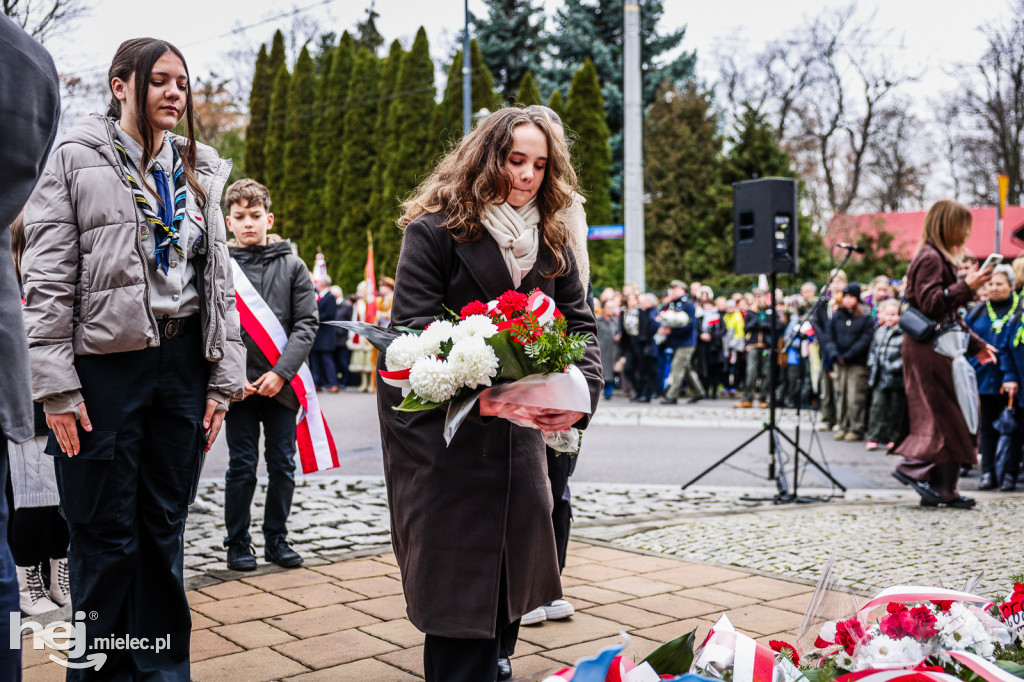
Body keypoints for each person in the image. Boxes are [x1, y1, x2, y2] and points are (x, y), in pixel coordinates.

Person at [21, 38, 245, 677]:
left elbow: (218, 287)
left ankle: (161, 671)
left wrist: (221, 382)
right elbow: (49, 280)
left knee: (163, 526)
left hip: (183, 368)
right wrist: (58, 389)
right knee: (103, 533)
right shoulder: (74, 157)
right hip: (105, 371)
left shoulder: (197, 169)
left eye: (182, 83)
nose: (176, 93)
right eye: (160, 82)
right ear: (121, 86)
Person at [378, 106, 602, 682]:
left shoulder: (551, 240)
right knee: (457, 616)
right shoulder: (434, 231)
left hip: (522, 450)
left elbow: (580, 329)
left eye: (539, 164)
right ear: (486, 157)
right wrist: (474, 391)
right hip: (450, 452)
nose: (527, 175)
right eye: (514, 160)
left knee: (505, 606)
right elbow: (409, 340)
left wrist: (579, 400)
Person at [0, 18, 60, 675]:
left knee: (38, 512)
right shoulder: (30, 61)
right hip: (10, 363)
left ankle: (49, 584)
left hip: (33, 379)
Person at [222, 179, 318, 571]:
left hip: (281, 387)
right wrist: (229, 376)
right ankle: (237, 544)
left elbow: (306, 324)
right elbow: (213, 325)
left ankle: (277, 539)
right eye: (240, 217)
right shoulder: (220, 266)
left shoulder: (293, 265)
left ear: (269, 218)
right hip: (239, 388)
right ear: (228, 222)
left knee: (282, 464)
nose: (248, 224)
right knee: (241, 466)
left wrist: (282, 372)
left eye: (255, 216)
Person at [893, 199, 994, 509]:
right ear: (948, 225)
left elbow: (949, 313)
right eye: (963, 227)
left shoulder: (937, 257)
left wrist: (976, 345)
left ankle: (943, 488)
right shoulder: (930, 258)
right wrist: (967, 285)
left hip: (938, 346)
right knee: (942, 413)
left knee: (950, 412)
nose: (966, 234)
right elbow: (932, 304)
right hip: (929, 348)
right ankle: (914, 470)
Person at [8, 212, 70, 615]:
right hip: (24, 411)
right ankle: (28, 577)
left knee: (63, 500)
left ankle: (58, 570)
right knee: (30, 501)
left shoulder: (58, 286)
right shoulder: (8, 291)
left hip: (62, 403)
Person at [965, 264, 1018, 490]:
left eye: (999, 284)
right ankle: (988, 473)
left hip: (1014, 381)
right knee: (986, 428)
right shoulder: (978, 311)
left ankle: (1008, 474)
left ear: (1011, 285)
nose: (994, 288)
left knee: (1012, 428)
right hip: (984, 378)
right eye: (991, 284)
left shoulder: (1019, 310)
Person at [827, 283, 874, 442]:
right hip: (839, 362)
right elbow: (829, 337)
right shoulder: (837, 316)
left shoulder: (865, 317)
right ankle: (842, 425)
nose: (848, 300)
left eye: (851, 297)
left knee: (855, 396)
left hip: (856, 363)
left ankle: (856, 427)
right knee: (841, 395)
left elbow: (865, 340)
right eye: (845, 297)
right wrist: (835, 354)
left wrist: (848, 355)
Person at [865, 299, 905, 451]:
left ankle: (894, 437)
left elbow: (904, 356)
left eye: (894, 315)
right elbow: (873, 350)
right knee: (877, 406)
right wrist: (872, 364)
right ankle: (874, 436)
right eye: (887, 314)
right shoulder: (880, 331)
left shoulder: (903, 333)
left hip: (896, 377)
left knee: (896, 408)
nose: (890, 318)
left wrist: (892, 367)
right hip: (879, 375)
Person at [660, 280, 704, 404]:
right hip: (677, 342)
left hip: (686, 342)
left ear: (683, 290)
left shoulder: (688, 305)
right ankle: (699, 392)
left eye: (676, 289)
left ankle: (672, 395)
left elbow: (689, 326)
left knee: (677, 367)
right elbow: (661, 315)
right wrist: (665, 303)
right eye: (672, 289)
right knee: (686, 369)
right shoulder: (672, 304)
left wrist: (670, 332)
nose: (673, 291)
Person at [310, 276, 340, 392]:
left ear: (322, 284)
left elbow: (329, 314)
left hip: (326, 336)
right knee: (315, 360)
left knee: (327, 360)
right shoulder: (321, 297)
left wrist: (314, 317)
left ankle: (333, 383)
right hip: (318, 335)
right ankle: (317, 382)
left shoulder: (330, 297)